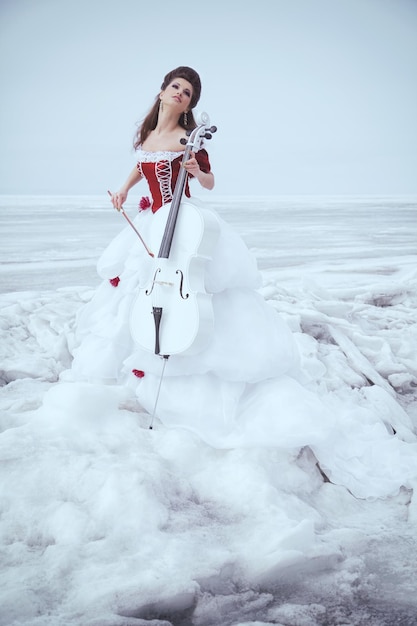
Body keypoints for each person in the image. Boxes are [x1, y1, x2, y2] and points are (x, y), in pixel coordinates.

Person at [69, 67, 417, 499]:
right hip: (149, 223)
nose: (180, 94)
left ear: (191, 105)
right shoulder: (145, 139)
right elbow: (141, 168)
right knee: (140, 297)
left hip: (182, 224)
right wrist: (123, 189)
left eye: (188, 93)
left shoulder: (185, 140)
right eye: (175, 87)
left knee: (195, 297)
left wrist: (195, 169)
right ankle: (146, 374)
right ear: (162, 91)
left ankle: (195, 388)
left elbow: (211, 182)